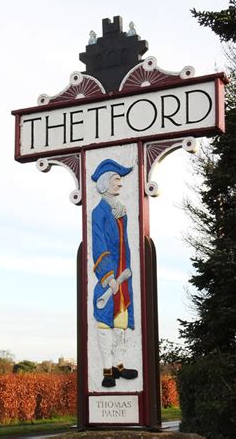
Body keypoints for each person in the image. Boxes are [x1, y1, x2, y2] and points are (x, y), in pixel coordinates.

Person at [91, 159, 138, 388]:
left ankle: (119, 365)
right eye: (117, 179)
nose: (120, 184)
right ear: (105, 183)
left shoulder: (121, 211)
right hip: (107, 277)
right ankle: (107, 370)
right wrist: (109, 278)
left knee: (120, 323)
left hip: (123, 275)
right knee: (105, 324)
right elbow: (99, 245)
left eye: (121, 179)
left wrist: (126, 269)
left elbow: (125, 243)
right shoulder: (98, 212)